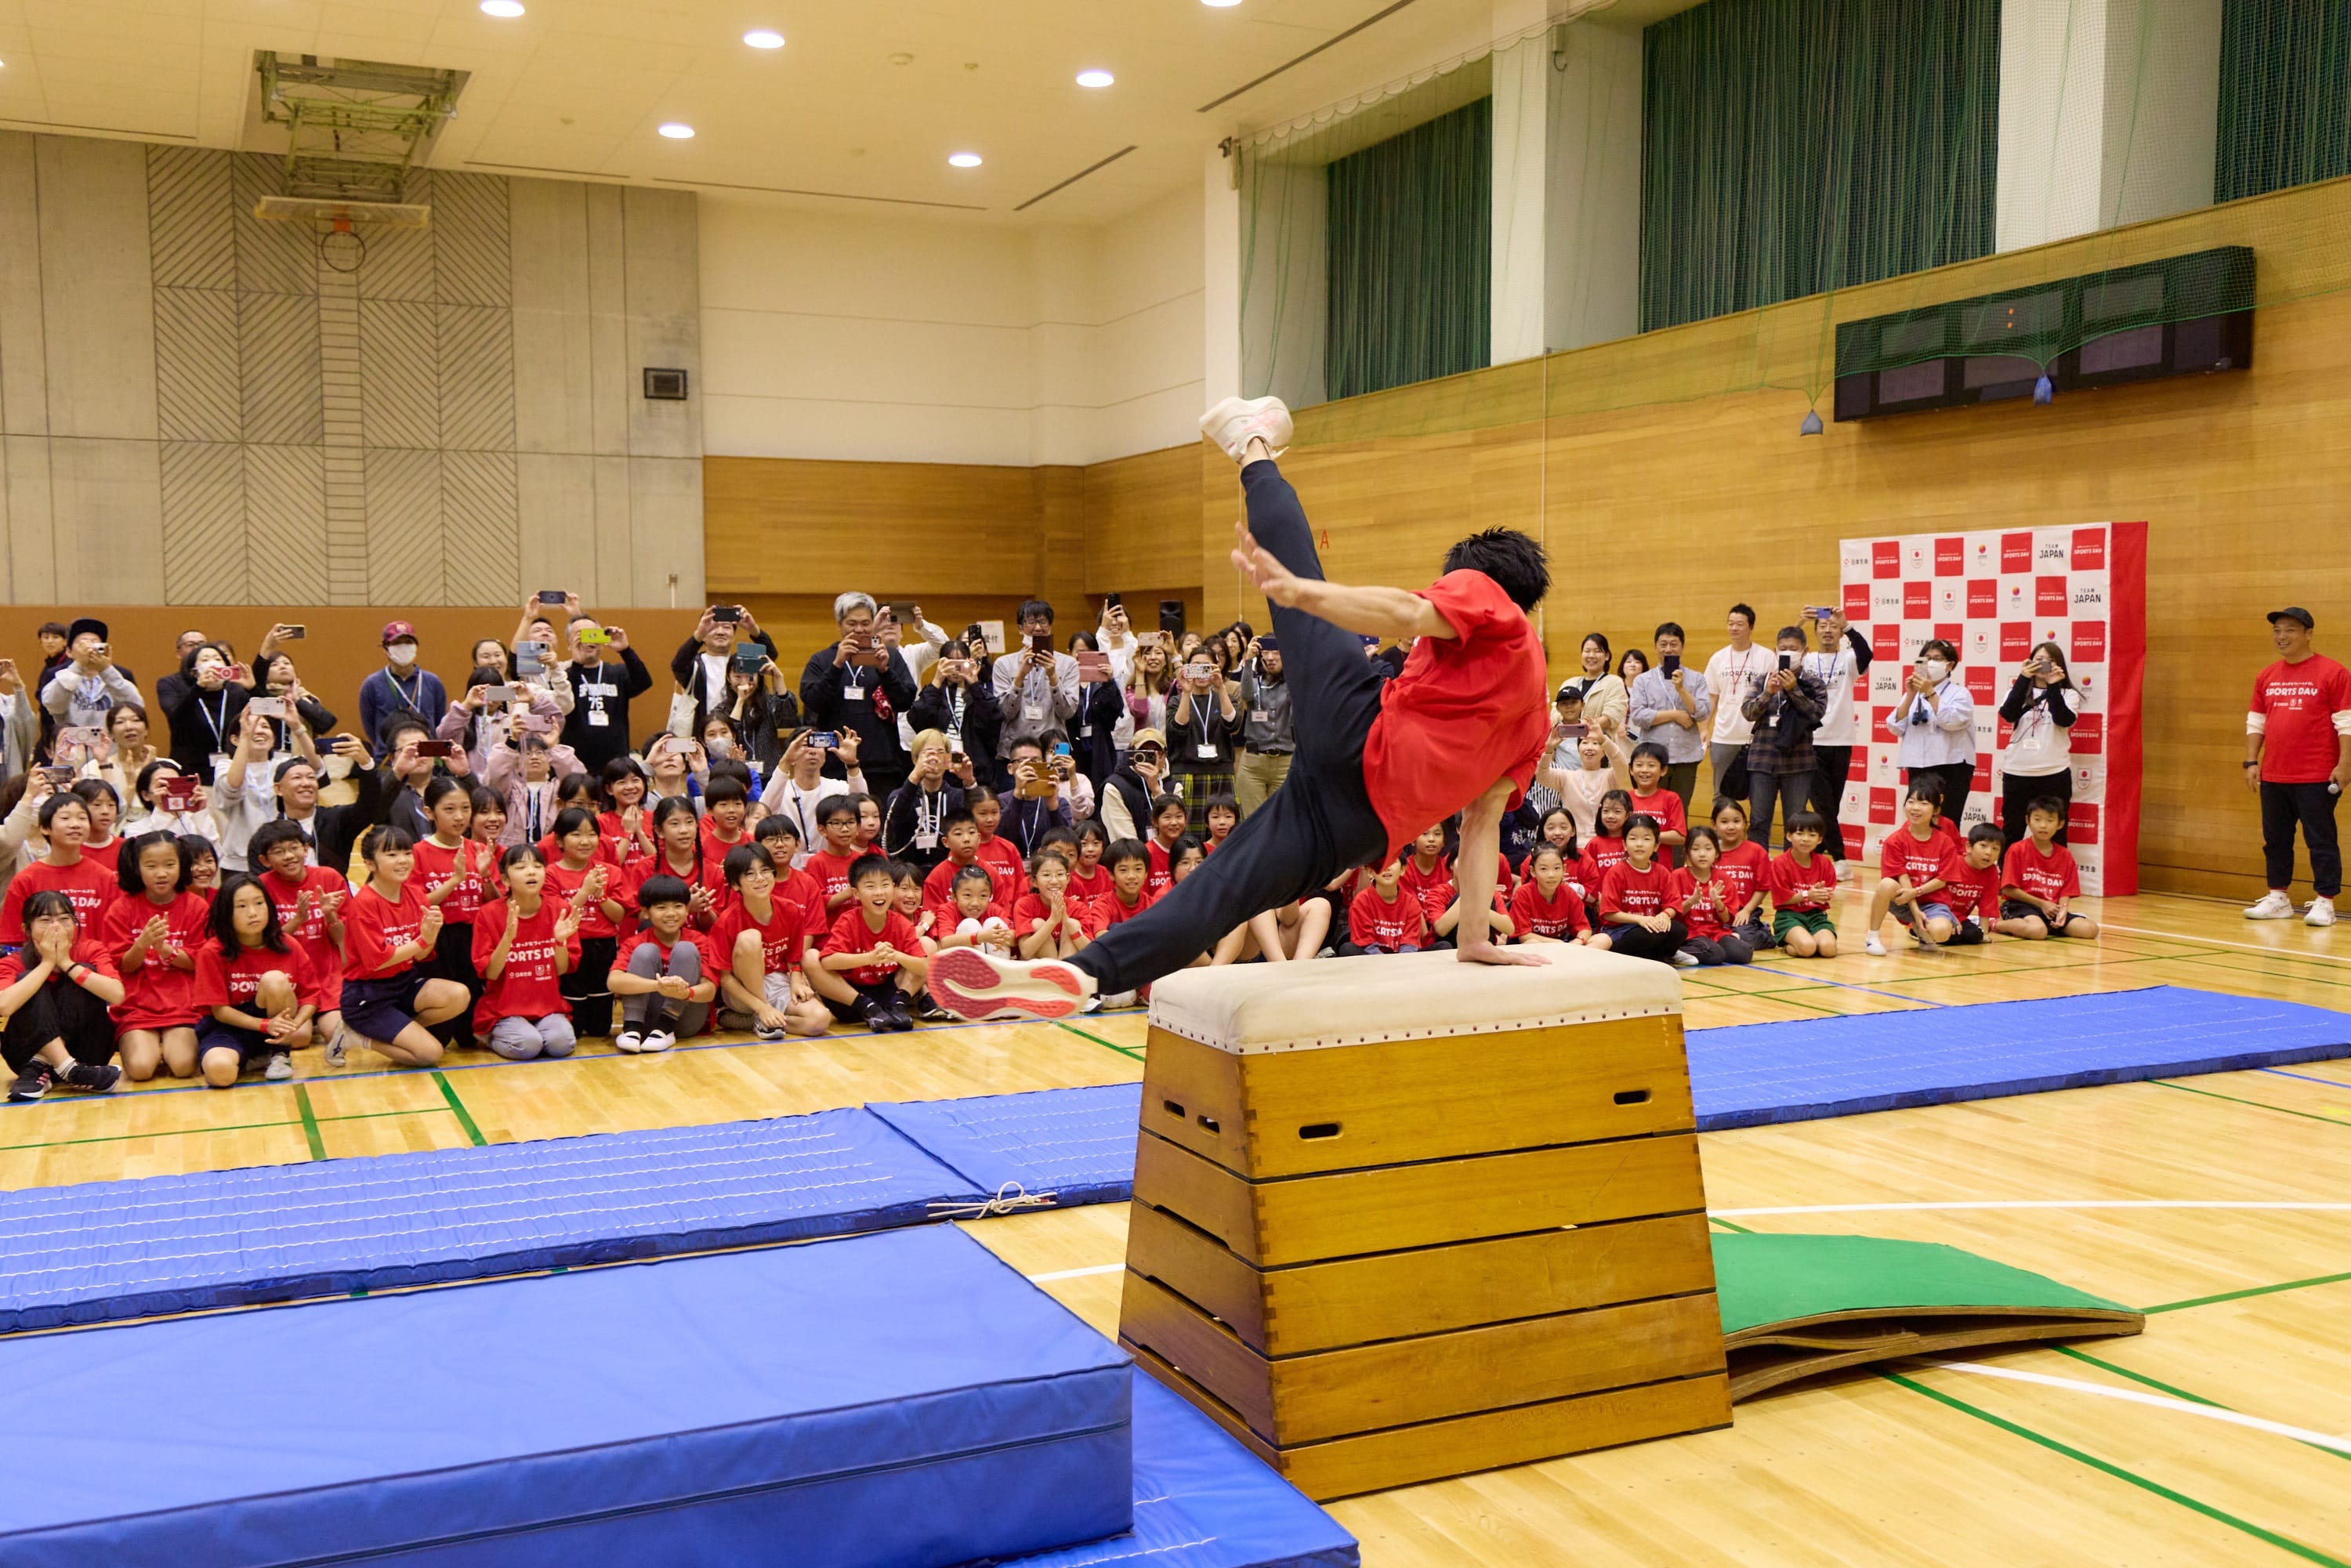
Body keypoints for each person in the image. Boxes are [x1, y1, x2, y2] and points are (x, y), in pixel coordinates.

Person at [927, 395, 1552, 1019]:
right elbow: (1480, 825)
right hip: (1359, 829)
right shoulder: (1533, 724)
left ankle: (1253, 444)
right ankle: (1083, 974)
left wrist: (1306, 596)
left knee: (1301, 578)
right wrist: (1473, 936)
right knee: (1220, 894)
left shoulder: (1488, 598)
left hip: (1359, 733)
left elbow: (1407, 611)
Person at [339, 825, 471, 1068]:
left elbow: (421, 955)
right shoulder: (364, 904)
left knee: (459, 995)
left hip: (403, 985)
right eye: (391, 854)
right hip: (367, 998)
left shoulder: (415, 895)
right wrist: (421, 940)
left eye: (407, 853)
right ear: (369, 864)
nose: (402, 860)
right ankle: (355, 1037)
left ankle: (406, 1032)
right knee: (430, 1054)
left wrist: (431, 933)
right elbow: (378, 961)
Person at [102, 831, 208, 1081]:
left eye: (169, 865)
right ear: (137, 868)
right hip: (137, 1006)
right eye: (151, 866)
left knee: (183, 1067)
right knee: (140, 1070)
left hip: (183, 1005)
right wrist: (142, 944)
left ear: (181, 865)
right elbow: (122, 967)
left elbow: (200, 962)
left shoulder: (197, 906)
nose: (161, 873)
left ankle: (169, 1047)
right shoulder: (121, 909)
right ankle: (152, 1047)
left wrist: (166, 951)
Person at [2, 889, 127, 1100]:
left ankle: (44, 1064)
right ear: (27, 929)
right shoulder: (13, 962)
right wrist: (47, 963)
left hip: (87, 1050)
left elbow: (116, 995)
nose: (56, 927)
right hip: (25, 1054)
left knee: (84, 973)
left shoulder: (91, 949)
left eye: (64, 919)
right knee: (26, 980)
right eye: (45, 920)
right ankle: (70, 1070)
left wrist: (66, 963)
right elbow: (4, 1006)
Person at [194, 874, 318, 1085]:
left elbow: (310, 997)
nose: (253, 913)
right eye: (241, 906)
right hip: (228, 1028)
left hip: (274, 1030)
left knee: (274, 980)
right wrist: (264, 1025)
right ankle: (253, 1060)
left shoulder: (287, 944)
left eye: (259, 903)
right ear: (226, 912)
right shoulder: (212, 951)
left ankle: (279, 1054)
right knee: (220, 1074)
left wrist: (293, 1027)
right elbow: (220, 1011)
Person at [802, 592, 919, 800]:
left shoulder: (889, 655)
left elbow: (905, 701)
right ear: (840, 625)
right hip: (835, 765)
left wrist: (885, 671)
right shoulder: (822, 659)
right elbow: (812, 701)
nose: (859, 629)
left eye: (865, 623)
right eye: (852, 623)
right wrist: (837, 665)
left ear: (873, 624)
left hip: (883, 766)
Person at [471, 844, 583, 1061]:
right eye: (521, 867)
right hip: (504, 1010)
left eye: (538, 866)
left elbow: (561, 969)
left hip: (547, 1007)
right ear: (505, 880)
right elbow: (491, 973)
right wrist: (508, 938)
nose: (531, 872)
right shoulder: (488, 914)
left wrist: (559, 942)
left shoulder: (559, 909)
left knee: (562, 1044)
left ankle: (533, 1033)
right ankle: (491, 1035)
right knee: (527, 1046)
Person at [248, 818, 350, 1057]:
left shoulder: (329, 877)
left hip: (327, 978)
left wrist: (330, 915)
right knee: (299, 1038)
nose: (289, 856)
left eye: (294, 848)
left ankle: (319, 1020)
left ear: (306, 849)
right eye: (278, 852)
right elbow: (263, 943)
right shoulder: (260, 887)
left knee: (339, 1035)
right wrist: (297, 920)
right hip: (289, 983)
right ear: (265, 860)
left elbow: (343, 939)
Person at [713, 844, 831, 1040]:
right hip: (742, 991)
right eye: (750, 874)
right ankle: (761, 1013)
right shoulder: (726, 921)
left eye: (765, 870)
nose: (760, 878)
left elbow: (794, 959)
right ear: (735, 885)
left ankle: (756, 1021)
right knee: (751, 938)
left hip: (777, 981)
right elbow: (725, 979)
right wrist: (762, 1007)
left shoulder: (790, 910)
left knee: (820, 1020)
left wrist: (796, 982)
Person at [811, 854, 926, 1031]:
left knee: (927, 945)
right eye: (870, 886)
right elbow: (828, 962)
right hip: (851, 1001)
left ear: (893, 887)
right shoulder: (848, 921)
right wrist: (870, 958)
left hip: (887, 995)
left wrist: (896, 956)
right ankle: (868, 1008)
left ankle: (898, 1005)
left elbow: (925, 968)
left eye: (885, 885)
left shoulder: (901, 923)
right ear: (856, 893)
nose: (879, 892)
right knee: (811, 958)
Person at [610, 875, 719, 1052]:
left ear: (687, 910)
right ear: (646, 912)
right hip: (647, 1019)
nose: (671, 913)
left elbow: (709, 991)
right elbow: (614, 982)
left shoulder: (699, 941)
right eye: (661, 907)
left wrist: (685, 992)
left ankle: (665, 1028)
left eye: (678, 906)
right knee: (645, 951)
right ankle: (632, 1029)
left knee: (685, 949)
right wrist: (659, 986)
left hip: (685, 1019)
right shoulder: (635, 942)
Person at [1740, 626, 1825, 850]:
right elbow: (1748, 712)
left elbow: (1816, 714)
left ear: (1804, 651)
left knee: (1795, 823)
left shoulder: (1813, 683)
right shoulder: (1763, 680)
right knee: (1759, 821)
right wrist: (1767, 693)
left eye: (1793, 649)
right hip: (1763, 761)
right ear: (1776, 651)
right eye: (1783, 648)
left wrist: (1794, 690)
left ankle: (1791, 867)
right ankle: (1758, 866)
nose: (1788, 653)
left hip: (1799, 763)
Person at [1803, 608, 1872, 874]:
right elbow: (1784, 655)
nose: (1828, 630)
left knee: (1830, 804)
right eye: (1823, 626)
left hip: (1841, 739)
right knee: (1823, 803)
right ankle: (1840, 858)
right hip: (1811, 740)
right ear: (1815, 631)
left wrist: (1848, 626)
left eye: (1833, 626)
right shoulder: (1807, 660)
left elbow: (1866, 654)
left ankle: (1816, 856)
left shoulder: (1848, 659)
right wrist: (1800, 621)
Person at [1999, 642, 2078, 851]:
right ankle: (2007, 872)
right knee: (2012, 831)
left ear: (2059, 665)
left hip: (2053, 773)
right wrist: (2024, 678)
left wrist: (2053, 685)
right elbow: (2008, 714)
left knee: (2056, 834)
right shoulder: (2017, 691)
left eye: (2049, 661)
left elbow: (2063, 719)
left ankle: (2054, 873)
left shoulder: (2068, 694)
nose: (2043, 665)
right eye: (2039, 660)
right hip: (2017, 772)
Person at [1889, 638, 1977, 825]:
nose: (1930, 663)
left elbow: (1952, 721)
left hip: (1951, 765)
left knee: (1946, 822)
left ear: (1950, 665)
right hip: (1918, 765)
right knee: (1920, 821)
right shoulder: (1913, 694)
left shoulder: (1960, 693)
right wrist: (1910, 695)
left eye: (1937, 659)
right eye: (1926, 658)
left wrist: (1930, 692)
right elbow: (1895, 727)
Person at [1864, 781, 1956, 956]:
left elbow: (1942, 880)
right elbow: (1902, 877)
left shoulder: (1945, 842)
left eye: (1924, 803)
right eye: (1911, 801)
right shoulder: (1895, 841)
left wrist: (1916, 892)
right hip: (1904, 899)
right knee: (1886, 885)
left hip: (1932, 901)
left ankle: (1923, 934)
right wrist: (1915, 911)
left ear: (1936, 810)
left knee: (1942, 932)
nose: (1916, 808)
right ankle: (1872, 936)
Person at [1625, 624, 1709, 807]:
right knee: (1651, 809)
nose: (1668, 649)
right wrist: (1675, 715)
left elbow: (1703, 712)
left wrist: (1682, 689)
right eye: (1663, 644)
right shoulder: (1643, 680)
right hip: (1652, 758)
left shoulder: (1697, 679)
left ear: (1682, 647)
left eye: (1673, 644)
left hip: (1686, 756)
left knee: (1680, 809)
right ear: (1656, 647)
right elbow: (1638, 716)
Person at [561, 614, 654, 773]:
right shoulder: (563, 677)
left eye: (593, 634)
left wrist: (625, 650)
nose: (588, 640)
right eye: (580, 635)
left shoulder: (617, 673)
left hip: (615, 764)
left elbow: (644, 682)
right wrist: (577, 664)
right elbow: (562, 700)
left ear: (601, 641)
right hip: (576, 766)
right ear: (569, 644)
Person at [908, 639, 1004, 794]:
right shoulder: (935, 693)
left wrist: (974, 684)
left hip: (975, 769)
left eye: (960, 662)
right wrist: (937, 679)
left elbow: (993, 721)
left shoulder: (979, 694)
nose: (955, 668)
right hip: (939, 769)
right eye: (950, 662)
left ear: (970, 661)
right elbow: (917, 720)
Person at [2001, 795, 2100, 940]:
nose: (2043, 825)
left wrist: (2063, 911)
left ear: (2060, 824)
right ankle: (1996, 925)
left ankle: (2048, 926)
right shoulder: (2017, 850)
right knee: (2037, 931)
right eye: (2037, 819)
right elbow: (2008, 889)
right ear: (2028, 820)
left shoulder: (2065, 855)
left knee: (2090, 930)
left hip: (2051, 909)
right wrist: (2042, 904)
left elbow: (2066, 892)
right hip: (2021, 905)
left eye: (2050, 820)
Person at [1598, 816, 1689, 966]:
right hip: (1621, 931)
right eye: (1633, 838)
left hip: (1649, 926)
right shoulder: (1616, 872)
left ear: (1656, 845)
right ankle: (1648, 959)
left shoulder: (1662, 872)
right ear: (1624, 844)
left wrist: (1665, 915)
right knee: (1650, 935)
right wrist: (1639, 919)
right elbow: (1609, 913)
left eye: (1646, 839)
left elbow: (1673, 904)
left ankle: (1656, 959)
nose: (1639, 844)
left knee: (1678, 930)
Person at [1165, 650, 1241, 827]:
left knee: (1225, 832)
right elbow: (1178, 730)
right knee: (1188, 834)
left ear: (1215, 668)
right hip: (1187, 773)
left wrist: (1221, 687)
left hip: (1221, 772)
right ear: (1187, 669)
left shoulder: (1225, 698)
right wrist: (1186, 692)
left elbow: (1232, 724)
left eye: (1206, 667)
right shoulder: (1177, 700)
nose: (1201, 672)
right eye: (1195, 667)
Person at [1701, 605, 1767, 809]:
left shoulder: (1766, 657)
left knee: (1759, 795)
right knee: (1721, 794)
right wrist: (1704, 728)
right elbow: (1711, 697)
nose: (1734, 628)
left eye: (1739, 624)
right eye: (1731, 624)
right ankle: (1721, 830)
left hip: (1757, 737)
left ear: (1751, 627)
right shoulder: (1718, 658)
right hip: (1723, 736)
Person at [357, 621, 448, 758]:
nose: (404, 647)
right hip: (388, 759)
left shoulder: (433, 682)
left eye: (408, 642)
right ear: (386, 649)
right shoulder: (372, 684)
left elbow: (439, 721)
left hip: (426, 756)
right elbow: (369, 726)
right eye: (397, 643)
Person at [40, 617, 143, 736]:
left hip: (110, 745)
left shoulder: (119, 675)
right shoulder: (60, 676)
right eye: (83, 643)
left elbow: (136, 706)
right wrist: (78, 666)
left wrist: (106, 669)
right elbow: (52, 704)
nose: (90, 648)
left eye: (95, 642)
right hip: (72, 745)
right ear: (69, 652)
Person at [1233, 636, 1294, 817]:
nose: (1270, 658)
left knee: (1282, 820)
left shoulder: (1293, 684)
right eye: (1266, 652)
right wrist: (1248, 660)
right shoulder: (1254, 682)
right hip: (1254, 762)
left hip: (1285, 761)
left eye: (1276, 652)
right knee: (1252, 820)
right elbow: (1245, 695)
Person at [1674, 826, 1751, 967]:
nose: (1702, 854)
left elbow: (1726, 919)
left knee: (1744, 953)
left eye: (1708, 849)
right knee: (1715, 954)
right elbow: (1672, 914)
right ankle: (1672, 951)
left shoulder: (1723, 879)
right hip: (1691, 934)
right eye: (1696, 849)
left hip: (1716, 933)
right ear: (1687, 853)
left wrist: (1718, 903)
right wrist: (1691, 901)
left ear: (1716, 853)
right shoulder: (1677, 876)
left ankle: (1707, 950)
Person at [1767, 811, 1839, 958]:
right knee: (1807, 948)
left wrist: (1821, 895)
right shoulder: (1779, 863)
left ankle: (1806, 940)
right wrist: (1808, 895)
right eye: (1800, 834)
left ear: (1820, 839)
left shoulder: (1825, 863)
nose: (1806, 839)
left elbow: (1826, 895)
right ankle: (1788, 945)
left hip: (1816, 916)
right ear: (1789, 836)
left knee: (1829, 950)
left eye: (1812, 835)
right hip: (1789, 916)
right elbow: (1782, 899)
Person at [1342, 851, 1429, 955]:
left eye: (1392, 862)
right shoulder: (1361, 901)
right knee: (1347, 949)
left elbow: (1410, 944)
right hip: (1373, 959)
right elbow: (1366, 944)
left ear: (1402, 869)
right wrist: (1385, 963)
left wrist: (1401, 963)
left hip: (1404, 959)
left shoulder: (1411, 903)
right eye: (1382, 863)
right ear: (1370, 871)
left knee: (1442, 946)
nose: (1387, 868)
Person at [1559, 633, 1629, 737]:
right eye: (1587, 651)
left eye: (1597, 651)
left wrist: (1583, 728)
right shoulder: (1569, 683)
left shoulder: (1614, 682)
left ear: (1607, 656)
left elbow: (1613, 716)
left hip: (1598, 743)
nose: (1591, 655)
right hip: (1567, 743)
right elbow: (1555, 713)